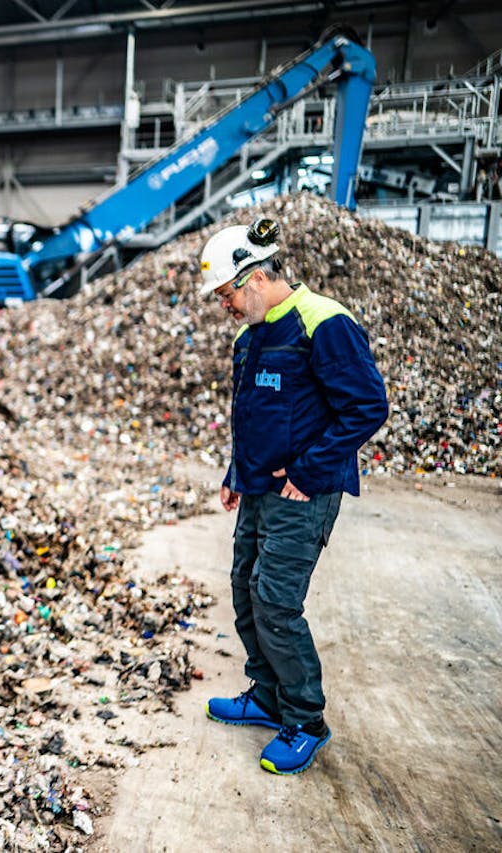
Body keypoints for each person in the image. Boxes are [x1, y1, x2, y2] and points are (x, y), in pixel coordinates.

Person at [196, 218, 389, 775]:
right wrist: (238, 471)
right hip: (258, 488)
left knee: (276, 601)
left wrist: (306, 471)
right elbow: (251, 415)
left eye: (227, 295)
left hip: (304, 493)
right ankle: (265, 695)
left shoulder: (324, 322)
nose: (225, 308)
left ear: (254, 278)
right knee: (244, 588)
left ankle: (305, 720)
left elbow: (366, 408)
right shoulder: (250, 335)